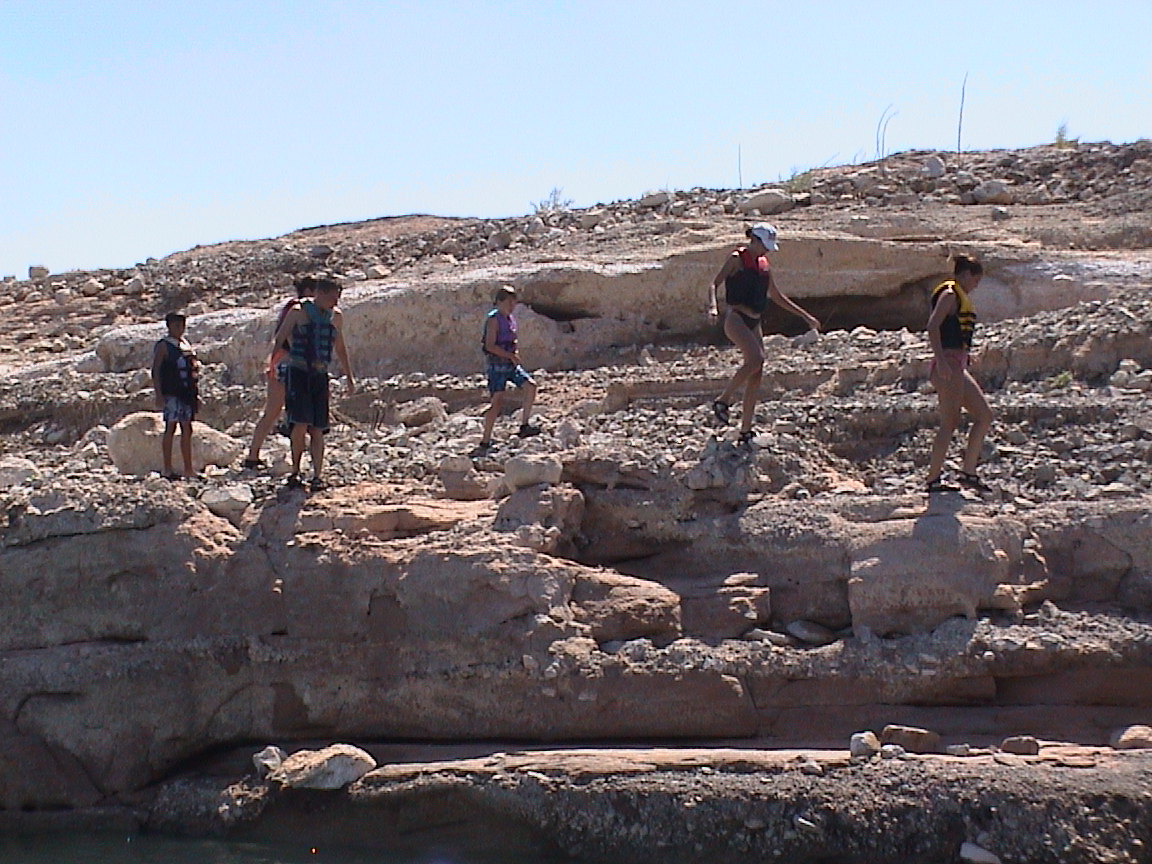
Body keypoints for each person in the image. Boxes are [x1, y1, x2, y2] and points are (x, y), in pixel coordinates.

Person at [707, 223, 820, 444]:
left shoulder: (764, 265)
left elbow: (776, 296)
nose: (767, 250)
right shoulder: (736, 259)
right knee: (756, 358)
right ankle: (723, 400)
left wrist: (805, 316)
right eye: (765, 245)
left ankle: (746, 430)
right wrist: (713, 307)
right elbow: (714, 284)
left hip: (754, 322)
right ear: (755, 240)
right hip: (736, 318)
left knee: (757, 373)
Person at [271, 277, 356, 490]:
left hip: (319, 374)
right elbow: (280, 338)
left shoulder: (336, 317)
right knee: (299, 424)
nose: (335, 302)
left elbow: (340, 347)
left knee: (318, 427)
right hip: (298, 373)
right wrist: (273, 365)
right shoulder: (297, 312)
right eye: (332, 297)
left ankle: (317, 475)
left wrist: (349, 376)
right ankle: (295, 471)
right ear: (320, 294)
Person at [924, 254, 993, 492]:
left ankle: (968, 473)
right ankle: (933, 479)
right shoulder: (950, 294)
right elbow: (933, 326)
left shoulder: (957, 295)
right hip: (948, 365)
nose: (976, 286)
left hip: (957, 363)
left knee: (984, 415)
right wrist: (942, 362)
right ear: (965, 275)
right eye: (975, 280)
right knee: (949, 422)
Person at [243, 275, 316, 469]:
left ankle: (254, 455)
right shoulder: (298, 309)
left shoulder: (293, 308)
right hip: (289, 360)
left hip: (283, 360)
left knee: (274, 411)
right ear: (309, 291)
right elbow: (288, 335)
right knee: (282, 410)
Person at [474, 286, 541, 456]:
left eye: (514, 303)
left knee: (530, 386)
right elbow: (490, 345)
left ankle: (524, 425)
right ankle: (485, 440)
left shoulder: (509, 319)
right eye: (509, 302)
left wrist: (514, 353)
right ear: (500, 301)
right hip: (497, 366)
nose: (512, 306)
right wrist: (510, 355)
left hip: (510, 365)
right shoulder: (493, 320)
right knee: (497, 402)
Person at [151, 311, 199, 479]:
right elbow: (156, 370)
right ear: (169, 326)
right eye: (176, 325)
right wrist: (158, 394)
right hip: (172, 393)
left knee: (187, 428)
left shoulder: (185, 344)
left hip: (186, 393)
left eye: (182, 325)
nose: (180, 328)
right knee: (170, 427)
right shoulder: (164, 346)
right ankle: (167, 469)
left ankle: (188, 469)